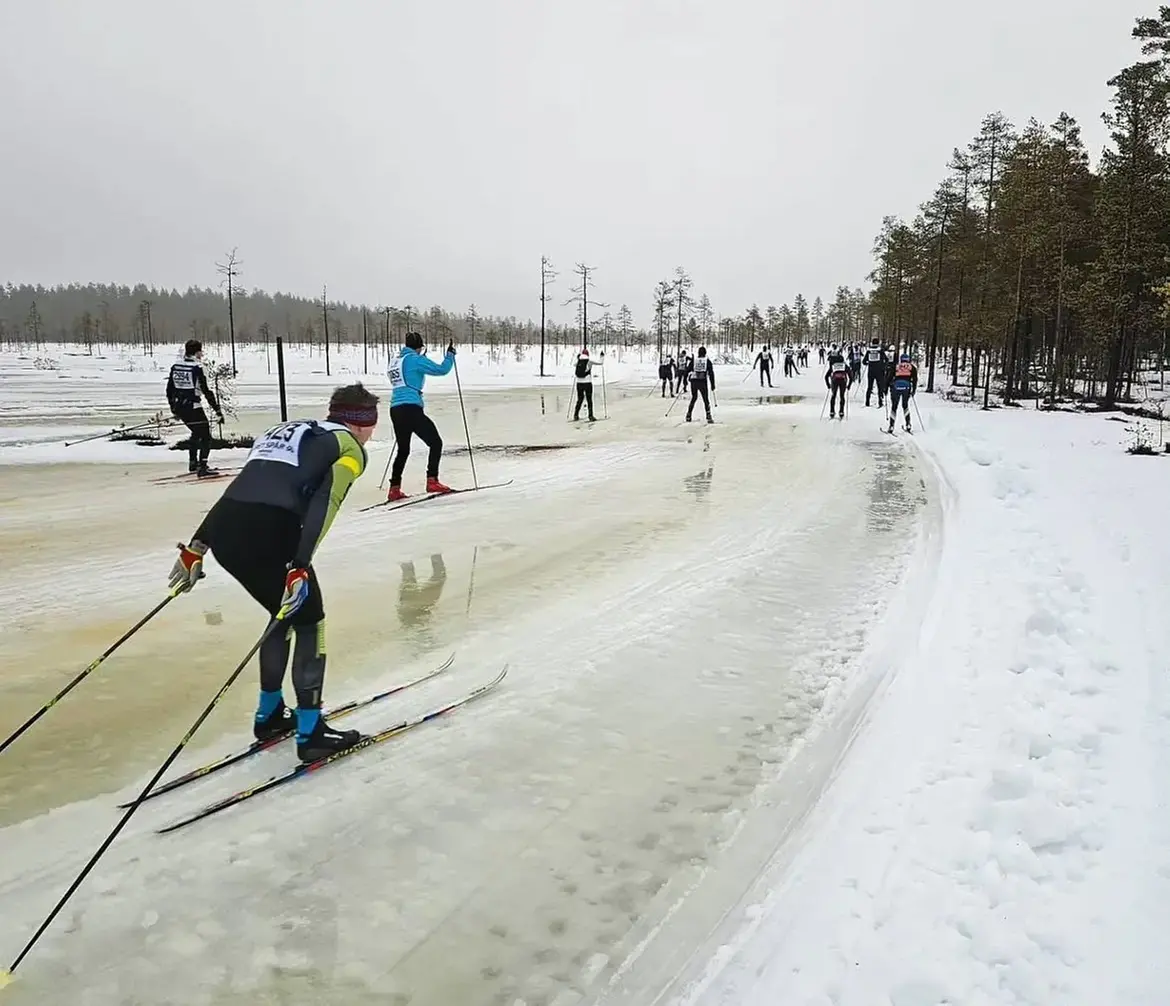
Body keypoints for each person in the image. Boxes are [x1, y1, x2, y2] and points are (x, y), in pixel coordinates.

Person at [167, 384, 379, 762]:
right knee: (310, 622)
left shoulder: (285, 432)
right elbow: (326, 499)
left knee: (281, 614)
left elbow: (242, 488)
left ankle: (269, 716)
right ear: (363, 422)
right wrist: (300, 565)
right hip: (271, 535)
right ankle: (311, 732)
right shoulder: (350, 449)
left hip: (228, 536)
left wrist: (198, 546)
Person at [386, 332, 456, 502]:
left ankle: (394, 488)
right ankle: (432, 481)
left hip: (396, 409)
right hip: (411, 407)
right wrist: (450, 356)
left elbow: (406, 376)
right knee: (435, 443)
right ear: (419, 347)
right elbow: (442, 370)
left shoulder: (394, 361)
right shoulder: (415, 359)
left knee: (403, 450)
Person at [166, 339, 224, 477]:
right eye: (200, 352)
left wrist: (173, 408)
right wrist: (217, 410)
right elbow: (206, 391)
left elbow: (169, 390)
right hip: (193, 406)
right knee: (205, 436)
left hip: (180, 406)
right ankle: (202, 467)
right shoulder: (197, 368)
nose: (201, 354)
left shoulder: (176, 366)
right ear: (197, 352)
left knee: (196, 432)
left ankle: (193, 463)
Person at [887, 353, 919, 433]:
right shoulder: (912, 367)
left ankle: (891, 425)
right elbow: (915, 380)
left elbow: (889, 377)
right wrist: (913, 390)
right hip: (907, 387)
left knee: (894, 406)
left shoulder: (896, 366)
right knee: (905, 405)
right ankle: (908, 423)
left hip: (896, 387)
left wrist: (885, 388)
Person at [686, 346, 715, 423]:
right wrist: (713, 384)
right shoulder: (707, 361)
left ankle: (689, 414)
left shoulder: (694, 361)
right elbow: (711, 373)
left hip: (694, 381)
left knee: (694, 397)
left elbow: (687, 370)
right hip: (702, 381)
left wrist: (685, 381)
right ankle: (708, 415)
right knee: (705, 399)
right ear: (705, 353)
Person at [573, 348, 603, 421]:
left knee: (580, 399)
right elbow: (600, 363)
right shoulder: (589, 361)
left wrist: (578, 358)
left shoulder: (579, 361)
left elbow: (574, 365)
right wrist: (602, 356)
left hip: (579, 383)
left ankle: (576, 415)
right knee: (589, 399)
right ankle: (590, 416)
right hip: (587, 383)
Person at [824, 344, 852, 420]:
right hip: (843, 381)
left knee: (833, 395)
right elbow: (850, 375)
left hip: (834, 381)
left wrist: (828, 385)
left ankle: (832, 411)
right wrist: (849, 385)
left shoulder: (833, 366)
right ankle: (841, 411)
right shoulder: (845, 366)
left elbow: (826, 376)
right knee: (842, 396)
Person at [864, 338, 889, 408]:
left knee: (869, 387)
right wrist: (884, 365)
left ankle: (867, 402)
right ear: (878, 343)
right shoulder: (880, 350)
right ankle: (880, 402)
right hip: (879, 371)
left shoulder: (869, 350)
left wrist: (868, 363)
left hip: (871, 371)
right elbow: (886, 360)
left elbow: (864, 361)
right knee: (880, 387)